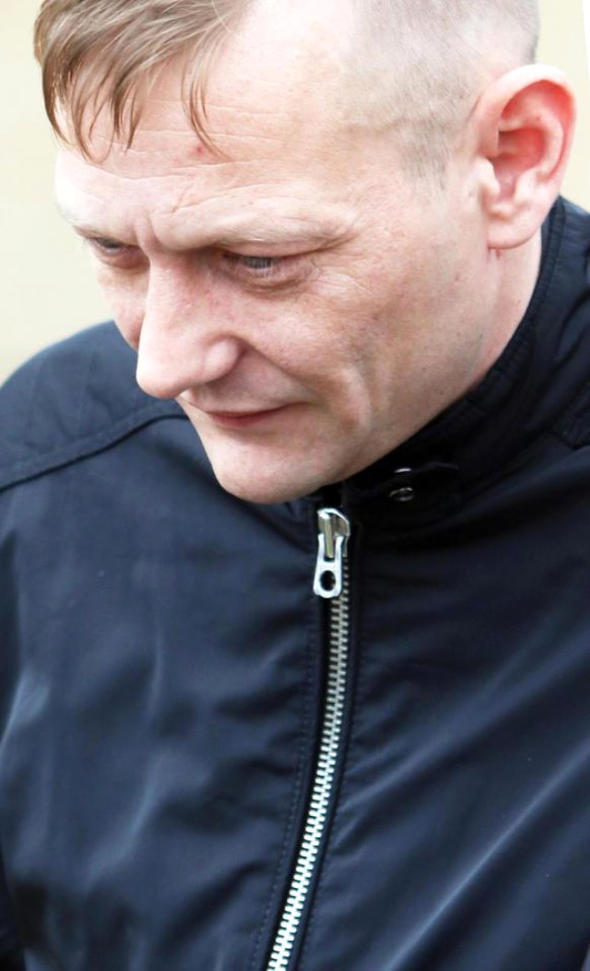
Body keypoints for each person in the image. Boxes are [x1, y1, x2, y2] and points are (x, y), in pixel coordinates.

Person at [1, 0, 589, 968]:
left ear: (512, 158)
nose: (164, 365)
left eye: (258, 260)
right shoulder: (41, 471)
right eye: (114, 250)